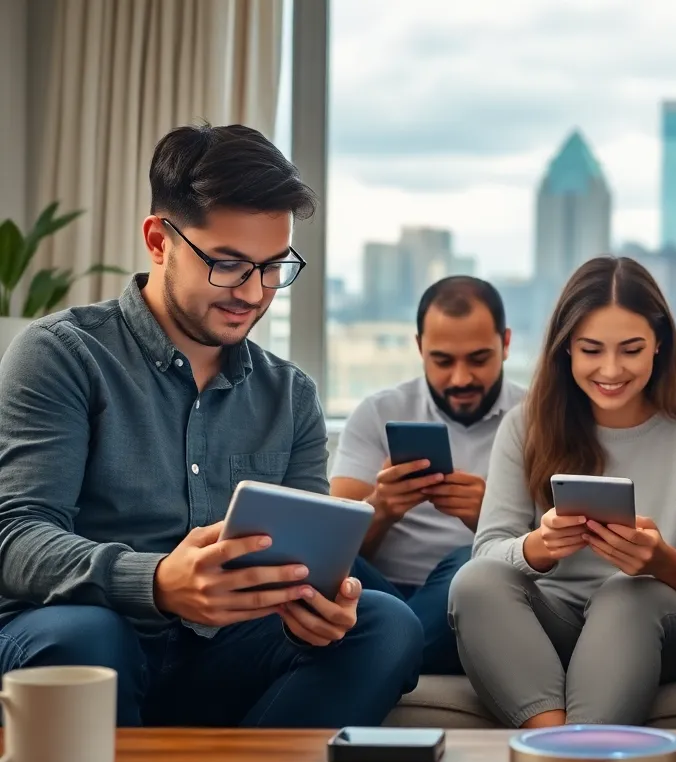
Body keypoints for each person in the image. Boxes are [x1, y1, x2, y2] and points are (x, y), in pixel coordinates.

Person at [0, 123, 421, 728]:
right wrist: (156, 582)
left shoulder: (291, 394)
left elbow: (307, 560)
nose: (252, 293)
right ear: (158, 240)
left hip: (224, 650)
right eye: (227, 265)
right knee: (88, 640)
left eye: (273, 267)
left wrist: (316, 612)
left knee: (384, 625)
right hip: (85, 631)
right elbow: (16, 537)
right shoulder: (62, 355)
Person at [448, 255, 676, 728]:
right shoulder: (525, 426)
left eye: (630, 349)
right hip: (554, 623)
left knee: (625, 592)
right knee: (472, 582)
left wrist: (661, 562)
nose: (611, 369)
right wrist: (537, 548)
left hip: (655, 625)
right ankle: (560, 744)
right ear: (566, 350)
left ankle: (578, 753)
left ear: (658, 346)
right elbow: (487, 553)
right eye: (591, 350)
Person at [331, 276, 525, 674]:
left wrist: (491, 520)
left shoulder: (537, 419)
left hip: (479, 602)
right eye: (442, 360)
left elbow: (562, 553)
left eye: (478, 358)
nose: (460, 379)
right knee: (307, 559)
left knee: (471, 562)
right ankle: (397, 642)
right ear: (419, 347)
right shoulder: (378, 413)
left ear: (505, 344)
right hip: (379, 595)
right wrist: (381, 509)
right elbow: (331, 548)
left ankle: (389, 648)